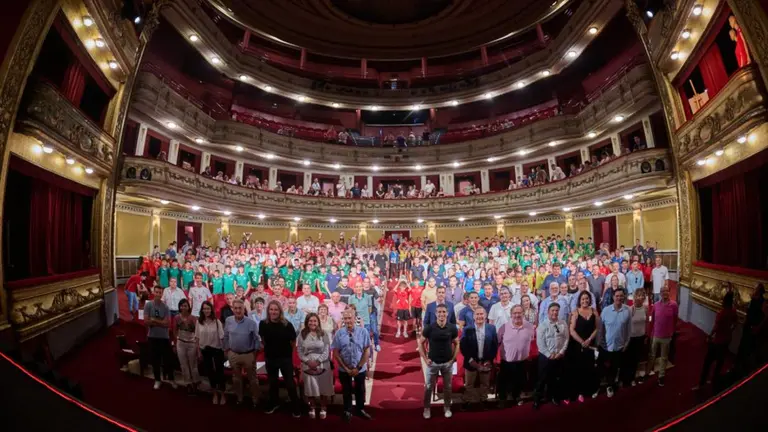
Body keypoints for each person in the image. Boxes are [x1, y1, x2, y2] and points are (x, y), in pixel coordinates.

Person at [332, 310, 372, 422]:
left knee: (360, 389)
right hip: (344, 368)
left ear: (355, 318)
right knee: (346, 390)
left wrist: (358, 368)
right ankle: (347, 410)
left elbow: (366, 351)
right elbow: (336, 352)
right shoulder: (339, 333)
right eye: (345, 318)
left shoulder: (363, 332)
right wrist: (346, 368)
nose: (348, 320)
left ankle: (360, 409)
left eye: (350, 318)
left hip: (359, 368)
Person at [420, 304, 459, 419]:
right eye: (439, 312)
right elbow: (421, 342)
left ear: (447, 313)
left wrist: (452, 359)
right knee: (428, 387)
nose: (441, 314)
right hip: (433, 363)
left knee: (448, 387)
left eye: (443, 312)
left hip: (447, 363)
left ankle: (447, 407)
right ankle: (427, 408)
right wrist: (425, 359)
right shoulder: (429, 328)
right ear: (436, 314)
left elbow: (457, 343)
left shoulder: (452, 328)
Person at [694, 290, 737, 390]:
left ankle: (701, 383)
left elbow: (716, 327)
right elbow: (735, 322)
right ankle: (714, 380)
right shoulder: (733, 311)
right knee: (720, 362)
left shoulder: (721, 313)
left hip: (718, 341)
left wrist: (709, 336)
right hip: (727, 340)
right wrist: (730, 330)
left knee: (707, 362)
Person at [223, 298, 261, 408]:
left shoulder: (251, 322)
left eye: (240, 308)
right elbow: (225, 336)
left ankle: (255, 399)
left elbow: (257, 340)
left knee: (253, 379)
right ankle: (239, 398)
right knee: (236, 379)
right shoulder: (228, 320)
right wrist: (227, 349)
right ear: (232, 309)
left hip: (248, 355)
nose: (238, 310)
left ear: (244, 309)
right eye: (235, 308)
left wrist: (254, 354)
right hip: (233, 354)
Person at [460, 307, 498, 411]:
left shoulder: (491, 328)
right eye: (477, 314)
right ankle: (467, 401)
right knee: (469, 384)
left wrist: (489, 360)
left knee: (485, 384)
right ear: (473, 316)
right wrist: (471, 360)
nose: (480, 316)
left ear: (485, 316)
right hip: (471, 362)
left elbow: (494, 346)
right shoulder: (467, 329)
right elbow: (463, 346)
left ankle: (484, 400)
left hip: (486, 362)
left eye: (482, 314)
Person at [497, 305, 534, 407]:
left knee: (520, 380)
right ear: (511, 314)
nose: (517, 315)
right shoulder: (503, 327)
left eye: (519, 313)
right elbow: (498, 342)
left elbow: (532, 340)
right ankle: (502, 399)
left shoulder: (530, 327)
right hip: (507, 361)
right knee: (503, 382)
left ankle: (517, 396)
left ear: (523, 314)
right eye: (515, 313)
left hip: (522, 361)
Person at [297, 313, 334, 419]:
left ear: (318, 322)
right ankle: (312, 407)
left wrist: (317, 362)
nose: (312, 323)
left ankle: (323, 407)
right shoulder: (302, 334)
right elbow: (299, 351)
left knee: (323, 386)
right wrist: (308, 362)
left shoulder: (324, 334)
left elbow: (327, 351)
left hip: (323, 362)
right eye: (310, 321)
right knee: (310, 386)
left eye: (315, 321)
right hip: (307, 363)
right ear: (307, 322)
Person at [597, 288, 630, 398]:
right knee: (602, 366)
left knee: (614, 367)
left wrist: (626, 343)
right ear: (613, 297)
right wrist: (600, 343)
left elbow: (629, 329)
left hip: (618, 346)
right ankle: (598, 386)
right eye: (617, 296)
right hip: (606, 345)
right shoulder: (606, 310)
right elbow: (600, 329)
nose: (619, 298)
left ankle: (610, 385)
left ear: (624, 297)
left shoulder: (627, 311)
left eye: (621, 296)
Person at [534, 303, 568, 409]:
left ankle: (553, 397)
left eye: (557, 310)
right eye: (552, 310)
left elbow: (566, 338)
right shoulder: (542, 325)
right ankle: (537, 400)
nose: (555, 312)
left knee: (556, 378)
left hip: (559, 356)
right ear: (548, 312)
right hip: (545, 357)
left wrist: (561, 352)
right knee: (542, 379)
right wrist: (549, 355)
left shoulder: (563, 323)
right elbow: (540, 343)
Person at [567, 290, 599, 402]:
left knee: (589, 368)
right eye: (583, 299)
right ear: (579, 301)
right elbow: (571, 330)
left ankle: (588, 390)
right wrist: (582, 342)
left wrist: (589, 339)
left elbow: (597, 328)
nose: (585, 300)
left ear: (589, 300)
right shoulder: (575, 312)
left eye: (587, 298)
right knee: (579, 369)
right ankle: (579, 392)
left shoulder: (594, 311)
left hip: (590, 344)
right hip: (578, 345)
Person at [144, 285, 175, 390]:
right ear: (153, 292)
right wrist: (160, 322)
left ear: (162, 294)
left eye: (160, 293)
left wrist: (154, 320)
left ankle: (171, 379)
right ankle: (157, 379)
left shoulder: (165, 307)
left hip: (164, 337)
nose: (158, 294)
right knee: (155, 360)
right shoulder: (148, 305)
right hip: (152, 336)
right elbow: (146, 322)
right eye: (156, 292)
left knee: (168, 360)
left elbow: (167, 324)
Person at [646, 285, 678, 387]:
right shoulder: (655, 305)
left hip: (667, 336)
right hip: (655, 335)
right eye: (662, 291)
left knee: (664, 358)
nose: (664, 293)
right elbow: (653, 321)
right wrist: (650, 333)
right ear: (660, 293)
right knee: (652, 355)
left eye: (666, 291)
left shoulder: (674, 305)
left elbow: (675, 319)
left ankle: (661, 376)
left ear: (669, 292)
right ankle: (647, 372)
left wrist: (672, 331)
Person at [195, 301, 226, 405]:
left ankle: (222, 394)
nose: (206, 310)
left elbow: (222, 337)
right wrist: (198, 351)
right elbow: (197, 337)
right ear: (202, 310)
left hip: (217, 349)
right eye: (204, 309)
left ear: (211, 309)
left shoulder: (217, 322)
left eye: (208, 308)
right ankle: (214, 393)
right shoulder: (199, 322)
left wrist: (225, 351)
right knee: (210, 372)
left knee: (219, 372)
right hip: (205, 350)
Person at [735, 284, 765, 374]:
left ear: (759, 291)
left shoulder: (762, 302)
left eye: (755, 288)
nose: (753, 290)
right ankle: (737, 366)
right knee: (742, 345)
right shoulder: (753, 300)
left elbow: (764, 316)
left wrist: (758, 327)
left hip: (753, 328)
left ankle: (744, 369)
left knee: (748, 348)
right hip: (748, 325)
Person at [622, 288, 649, 387]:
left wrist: (646, 335)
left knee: (635, 359)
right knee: (628, 359)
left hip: (640, 337)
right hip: (631, 338)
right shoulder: (630, 309)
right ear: (634, 297)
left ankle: (632, 378)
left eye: (642, 295)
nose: (640, 297)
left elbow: (646, 322)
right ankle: (625, 379)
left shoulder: (646, 308)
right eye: (638, 295)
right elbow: (625, 325)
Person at [174, 299, 200, 394]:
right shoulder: (177, 317)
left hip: (191, 343)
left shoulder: (193, 318)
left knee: (193, 364)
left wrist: (197, 345)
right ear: (179, 307)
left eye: (185, 306)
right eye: (182, 306)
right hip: (181, 343)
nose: (183, 307)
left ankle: (196, 381)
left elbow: (197, 332)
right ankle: (188, 383)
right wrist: (176, 340)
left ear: (188, 307)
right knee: (183, 364)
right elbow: (174, 330)